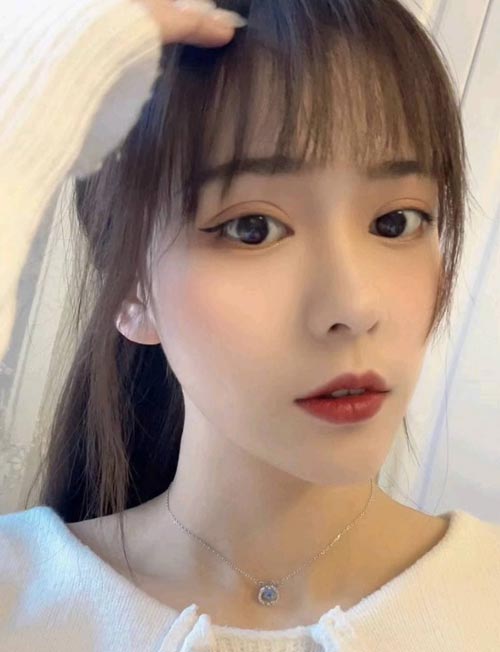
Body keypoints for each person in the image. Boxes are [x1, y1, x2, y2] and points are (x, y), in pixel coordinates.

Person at [1, 0, 499, 650]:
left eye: (395, 222)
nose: (353, 306)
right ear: (130, 289)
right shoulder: (19, 595)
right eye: (252, 228)